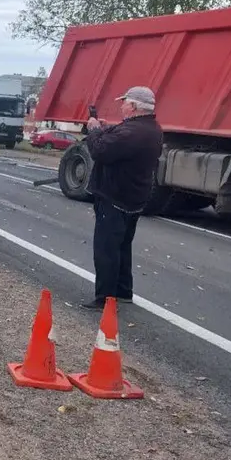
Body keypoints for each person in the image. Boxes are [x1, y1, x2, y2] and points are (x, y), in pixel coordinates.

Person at [82, 86, 163, 309]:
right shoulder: (151, 129)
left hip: (115, 196)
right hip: (134, 197)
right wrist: (104, 128)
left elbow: (100, 151)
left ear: (135, 106)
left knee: (107, 249)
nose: (122, 105)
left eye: (125, 102)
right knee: (122, 246)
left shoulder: (131, 133)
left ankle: (105, 298)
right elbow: (118, 140)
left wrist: (94, 131)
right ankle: (123, 290)